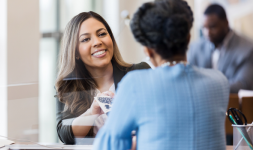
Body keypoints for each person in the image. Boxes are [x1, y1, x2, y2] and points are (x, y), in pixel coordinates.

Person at [92, 0, 229, 150]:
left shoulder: (135, 84)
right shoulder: (219, 82)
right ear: (188, 38)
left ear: (148, 50)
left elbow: (108, 146)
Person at [55, 11, 150, 144]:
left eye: (102, 34)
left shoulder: (139, 72)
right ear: (75, 52)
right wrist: (92, 112)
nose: (97, 42)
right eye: (86, 39)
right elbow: (64, 134)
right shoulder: (68, 86)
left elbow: (158, 121)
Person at [188, 4, 253, 93]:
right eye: (204, 27)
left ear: (226, 23)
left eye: (212, 27)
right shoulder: (195, 48)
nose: (207, 33)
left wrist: (205, 87)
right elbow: (188, 78)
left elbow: (243, 84)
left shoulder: (247, 48)